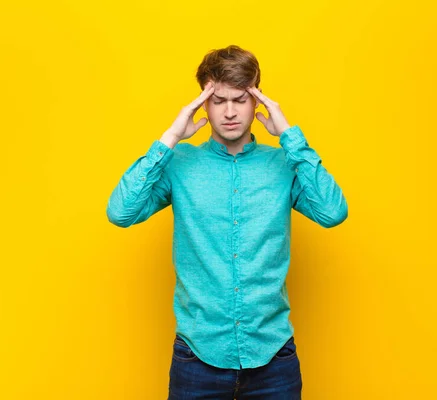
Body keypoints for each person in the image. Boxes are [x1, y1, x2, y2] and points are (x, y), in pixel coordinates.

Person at [106, 45, 348, 399]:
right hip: (197, 357)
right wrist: (170, 138)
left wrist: (290, 137)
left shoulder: (284, 163)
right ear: (203, 103)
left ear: (258, 101)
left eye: (240, 99)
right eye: (218, 100)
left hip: (274, 358)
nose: (230, 112)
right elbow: (121, 211)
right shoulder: (179, 164)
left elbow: (332, 212)